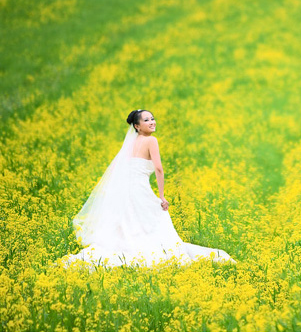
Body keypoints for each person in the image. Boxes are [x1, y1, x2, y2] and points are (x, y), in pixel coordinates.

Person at [60, 109, 237, 269]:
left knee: (130, 221)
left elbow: (118, 168)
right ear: (137, 126)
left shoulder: (131, 143)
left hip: (128, 189)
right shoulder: (151, 140)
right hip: (140, 189)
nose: (152, 122)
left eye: (153, 119)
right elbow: (159, 169)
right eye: (146, 120)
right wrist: (162, 196)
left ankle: (129, 247)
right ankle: (154, 251)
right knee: (157, 216)